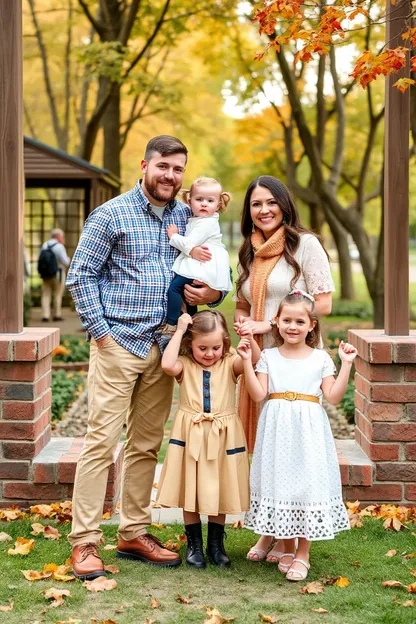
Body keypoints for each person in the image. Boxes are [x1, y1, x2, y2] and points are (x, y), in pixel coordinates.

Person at [65, 135, 227, 580]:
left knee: (144, 445)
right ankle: (85, 542)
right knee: (100, 443)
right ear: (144, 165)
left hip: (165, 345)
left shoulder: (188, 216)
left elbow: (212, 270)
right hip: (119, 342)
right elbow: (80, 276)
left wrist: (213, 293)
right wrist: (100, 334)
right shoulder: (112, 214)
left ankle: (133, 532)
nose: (170, 176)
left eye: (178, 169)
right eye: (163, 167)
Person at [233, 175, 334, 564]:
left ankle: (291, 541)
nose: (264, 210)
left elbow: (322, 303)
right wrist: (244, 325)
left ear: (284, 205)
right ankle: (270, 531)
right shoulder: (248, 250)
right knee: (267, 447)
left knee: (294, 450)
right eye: (256, 204)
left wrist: (273, 322)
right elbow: (242, 302)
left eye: (271, 202)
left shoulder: (304, 245)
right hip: (262, 358)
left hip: (296, 356)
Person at [240, 290, 354, 581]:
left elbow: (334, 396)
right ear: (276, 322)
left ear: (311, 325)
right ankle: (279, 540)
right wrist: (245, 361)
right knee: (278, 481)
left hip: (309, 431)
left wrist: (347, 364)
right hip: (276, 429)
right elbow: (258, 394)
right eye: (286, 320)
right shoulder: (268, 356)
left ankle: (302, 553)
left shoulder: (320, 359)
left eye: (299, 321)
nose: (293, 326)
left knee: (307, 484)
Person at [156, 310, 260, 569]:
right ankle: (194, 545)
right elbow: (167, 365)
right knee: (190, 486)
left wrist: (248, 337)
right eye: (202, 347)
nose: (209, 353)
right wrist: (179, 330)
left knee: (220, 485)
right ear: (190, 344)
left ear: (225, 343)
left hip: (224, 434)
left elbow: (254, 361)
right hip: (190, 433)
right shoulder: (185, 364)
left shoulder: (231, 361)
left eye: (216, 347)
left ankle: (216, 545)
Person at [158, 177, 233, 335]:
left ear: (218, 204)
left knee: (175, 288)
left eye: (210, 201)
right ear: (189, 201)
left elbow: (189, 243)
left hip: (202, 267)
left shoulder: (206, 223)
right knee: (189, 294)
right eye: (199, 199)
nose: (204, 203)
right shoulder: (200, 219)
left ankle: (172, 323)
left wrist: (173, 236)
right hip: (200, 266)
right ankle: (191, 321)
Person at [38, 228, 71, 321]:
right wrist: (68, 259)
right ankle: (57, 314)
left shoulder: (45, 245)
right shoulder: (60, 246)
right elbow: (65, 262)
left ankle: (45, 315)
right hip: (58, 273)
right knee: (57, 294)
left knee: (45, 294)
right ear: (59, 237)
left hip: (46, 274)